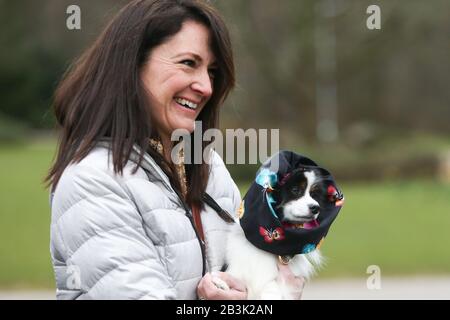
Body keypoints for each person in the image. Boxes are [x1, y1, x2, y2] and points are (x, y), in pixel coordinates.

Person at [46, 0, 304, 300]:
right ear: (132, 63)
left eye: (212, 71)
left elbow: (255, 285)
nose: (206, 86)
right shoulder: (92, 180)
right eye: (188, 63)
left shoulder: (209, 167)